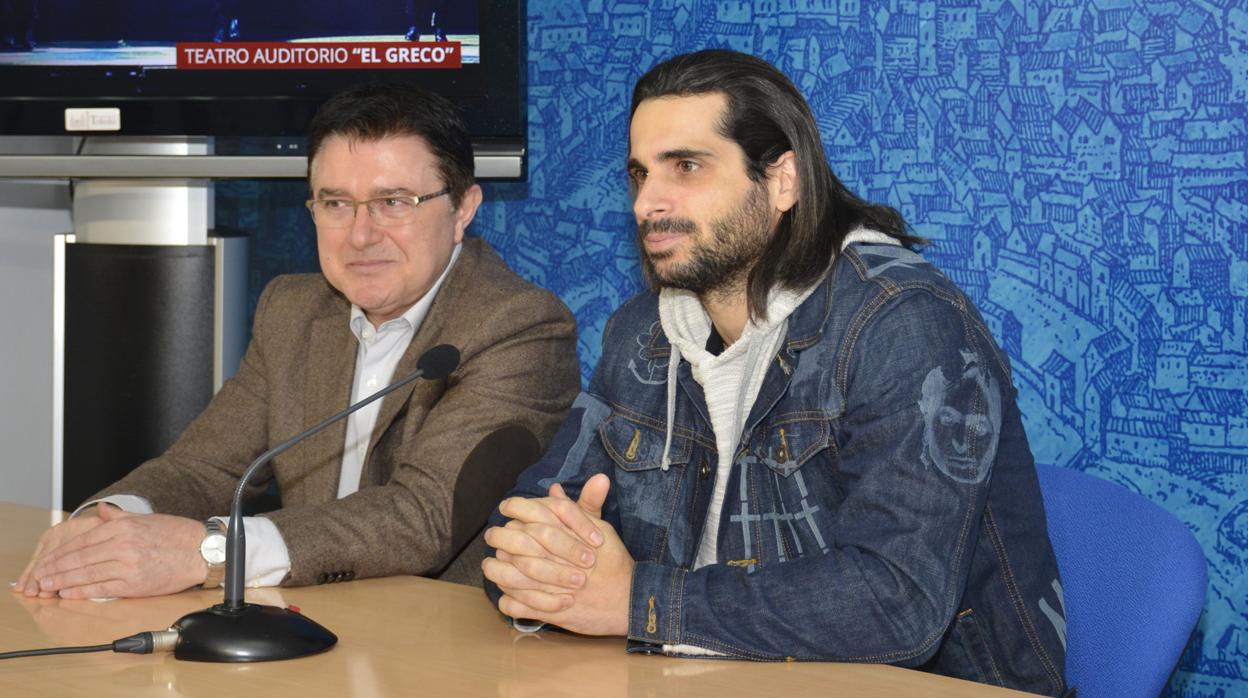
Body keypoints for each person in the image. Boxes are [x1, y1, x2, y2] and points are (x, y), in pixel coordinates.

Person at [481, 49, 1068, 696]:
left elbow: (897, 603)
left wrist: (634, 602)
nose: (649, 201)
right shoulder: (640, 333)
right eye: (639, 173)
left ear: (782, 179)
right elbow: (520, 527)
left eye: (687, 166)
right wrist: (540, 559)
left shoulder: (904, 324)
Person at [16, 82, 580, 600]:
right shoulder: (293, 309)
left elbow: (422, 516)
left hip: (441, 642)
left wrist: (209, 552)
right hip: (304, 619)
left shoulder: (519, 326)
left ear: (463, 209)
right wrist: (104, 522)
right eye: (335, 204)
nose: (361, 234)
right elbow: (204, 469)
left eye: (394, 202)